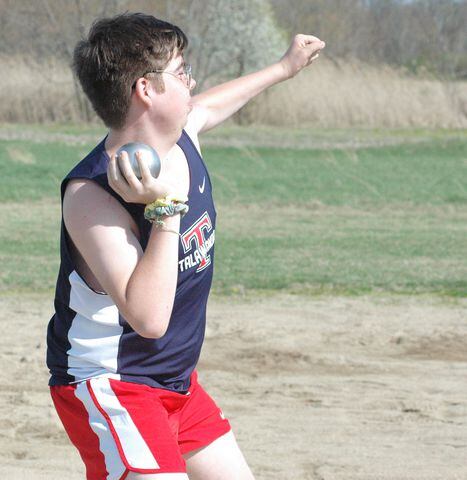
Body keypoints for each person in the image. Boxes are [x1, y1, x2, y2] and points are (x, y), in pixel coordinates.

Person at [46, 12, 324, 480]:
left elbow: (212, 106)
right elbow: (150, 318)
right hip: (112, 383)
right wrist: (165, 210)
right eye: (180, 72)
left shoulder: (181, 138)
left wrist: (284, 67)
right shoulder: (91, 195)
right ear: (146, 90)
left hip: (175, 382)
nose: (191, 81)